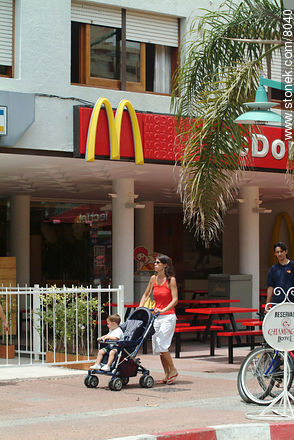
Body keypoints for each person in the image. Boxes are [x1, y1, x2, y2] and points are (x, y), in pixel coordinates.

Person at [139, 254, 178, 385]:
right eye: (155, 263)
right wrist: (140, 307)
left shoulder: (171, 280)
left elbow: (175, 299)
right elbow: (146, 294)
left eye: (157, 263)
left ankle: (173, 370)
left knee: (163, 345)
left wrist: (164, 309)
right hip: (156, 316)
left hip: (168, 316)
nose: (155, 265)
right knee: (159, 349)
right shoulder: (153, 279)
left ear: (164, 265)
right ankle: (166, 374)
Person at [266, 241, 294, 306]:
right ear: (275, 254)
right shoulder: (273, 269)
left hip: (292, 302)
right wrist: (267, 304)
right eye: (277, 252)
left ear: (286, 252)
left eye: (281, 251)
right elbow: (270, 286)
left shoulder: (292, 266)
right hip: (277, 303)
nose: (279, 254)